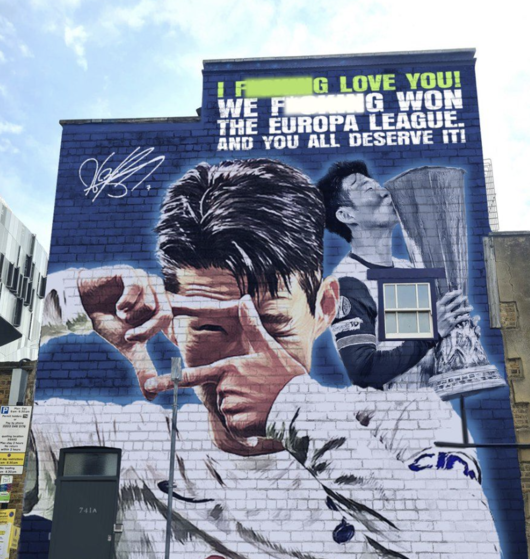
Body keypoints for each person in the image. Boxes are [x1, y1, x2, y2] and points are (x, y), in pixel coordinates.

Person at [27, 159, 500, 558]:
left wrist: (293, 407)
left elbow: (468, 549)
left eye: (271, 325)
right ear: (171, 325)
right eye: (209, 327)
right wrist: (65, 301)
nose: (243, 360)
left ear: (323, 310)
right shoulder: (120, 442)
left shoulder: (409, 421)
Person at [317, 161, 472, 390]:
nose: (385, 193)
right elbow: (364, 371)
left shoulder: (410, 270)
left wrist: (457, 338)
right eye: (368, 189)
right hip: (388, 409)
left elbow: (423, 351)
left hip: (429, 403)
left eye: (377, 184)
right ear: (346, 215)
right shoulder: (349, 282)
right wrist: (433, 331)